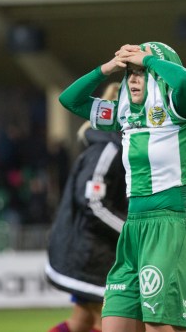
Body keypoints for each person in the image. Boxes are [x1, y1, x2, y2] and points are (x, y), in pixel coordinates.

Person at [59, 42, 186, 332]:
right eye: (130, 73)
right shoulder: (124, 114)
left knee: (157, 325)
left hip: (169, 228)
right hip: (133, 230)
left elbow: (185, 81)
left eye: (141, 72)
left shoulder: (179, 108)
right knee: (115, 323)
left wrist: (148, 59)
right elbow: (70, 100)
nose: (133, 79)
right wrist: (107, 69)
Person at [46, 82, 127, 332]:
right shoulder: (108, 149)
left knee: (80, 322)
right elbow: (93, 203)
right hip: (91, 253)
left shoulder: (119, 147)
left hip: (98, 249)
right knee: (112, 322)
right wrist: (131, 230)